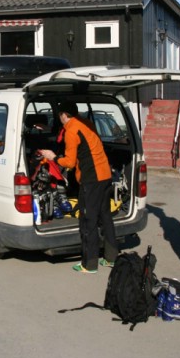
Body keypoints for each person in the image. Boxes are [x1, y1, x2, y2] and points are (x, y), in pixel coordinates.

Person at [38, 101, 118, 274]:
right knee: (105, 216)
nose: (59, 119)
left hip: (91, 178)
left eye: (59, 116)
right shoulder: (85, 123)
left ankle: (89, 264)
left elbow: (69, 162)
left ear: (64, 115)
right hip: (105, 174)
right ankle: (111, 257)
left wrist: (52, 157)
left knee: (88, 219)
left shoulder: (71, 131)